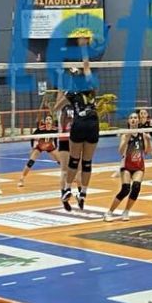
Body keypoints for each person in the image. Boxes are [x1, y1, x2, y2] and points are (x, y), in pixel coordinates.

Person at [61, 40, 101, 210]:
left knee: (73, 160)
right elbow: (86, 65)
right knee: (87, 162)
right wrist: (84, 47)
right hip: (93, 123)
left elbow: (57, 105)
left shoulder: (70, 92)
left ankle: (67, 189)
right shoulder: (91, 86)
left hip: (79, 124)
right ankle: (83, 192)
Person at [104, 112, 152, 222]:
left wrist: (149, 140)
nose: (133, 119)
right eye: (131, 118)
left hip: (138, 166)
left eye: (135, 118)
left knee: (136, 188)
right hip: (126, 165)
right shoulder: (125, 135)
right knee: (125, 189)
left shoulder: (142, 134)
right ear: (128, 121)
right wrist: (127, 139)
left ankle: (126, 211)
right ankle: (109, 212)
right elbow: (120, 151)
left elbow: (145, 152)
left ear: (138, 120)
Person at [17, 112, 61, 188]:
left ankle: (72, 177)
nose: (48, 121)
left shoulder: (55, 129)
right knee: (30, 162)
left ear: (52, 121)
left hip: (50, 146)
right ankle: (21, 179)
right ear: (44, 121)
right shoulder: (40, 129)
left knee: (61, 162)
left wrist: (56, 147)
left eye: (50, 119)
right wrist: (32, 147)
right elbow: (32, 137)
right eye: (47, 119)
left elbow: (56, 138)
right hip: (40, 146)